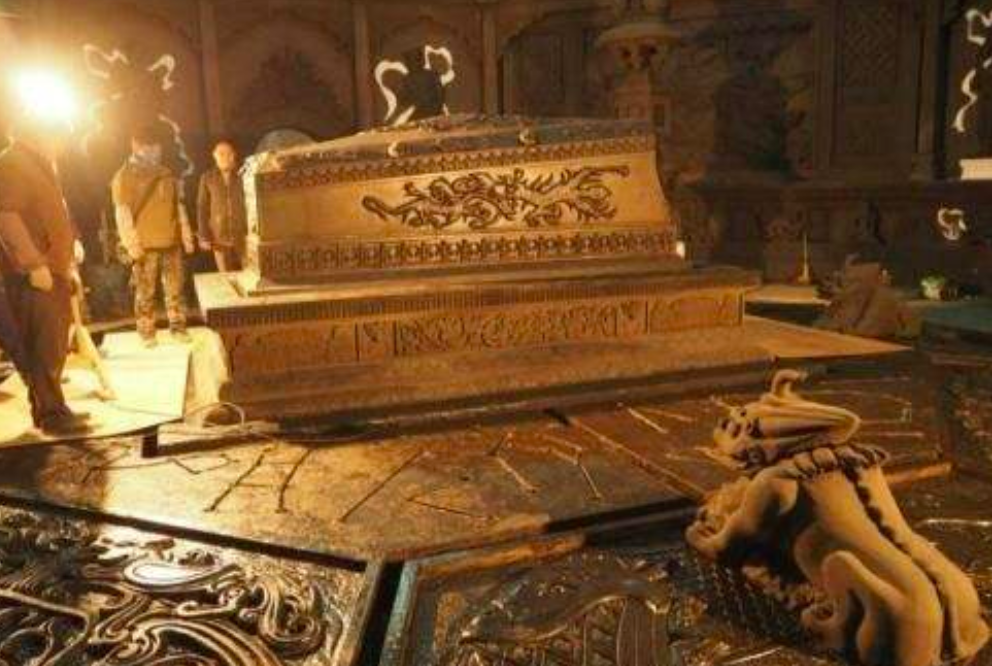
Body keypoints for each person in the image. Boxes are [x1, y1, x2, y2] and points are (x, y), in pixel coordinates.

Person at [0, 110, 90, 434]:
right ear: (41, 134)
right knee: (43, 345)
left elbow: (53, 211)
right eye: (58, 139)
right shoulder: (14, 163)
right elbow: (6, 215)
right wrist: (33, 264)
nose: (61, 147)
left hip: (52, 268)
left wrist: (70, 248)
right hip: (35, 274)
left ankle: (50, 408)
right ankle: (52, 415)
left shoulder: (37, 164)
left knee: (50, 342)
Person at [112, 125, 194, 348]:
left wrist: (186, 235)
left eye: (157, 146)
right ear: (135, 146)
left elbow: (178, 206)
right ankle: (147, 331)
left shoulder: (166, 173)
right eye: (149, 146)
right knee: (144, 292)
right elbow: (122, 213)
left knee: (175, 289)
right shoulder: (124, 176)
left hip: (171, 241)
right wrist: (131, 244)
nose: (155, 151)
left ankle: (178, 326)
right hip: (144, 245)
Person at [196, 140, 247, 272]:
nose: (225, 157)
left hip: (244, 238)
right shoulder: (207, 178)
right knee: (226, 279)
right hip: (219, 239)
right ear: (215, 156)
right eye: (221, 154)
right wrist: (203, 236)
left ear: (234, 155)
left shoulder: (244, 175)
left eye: (229, 153)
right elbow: (202, 208)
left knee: (249, 276)